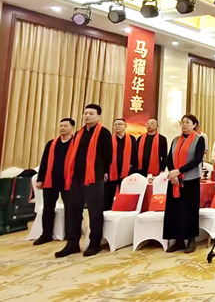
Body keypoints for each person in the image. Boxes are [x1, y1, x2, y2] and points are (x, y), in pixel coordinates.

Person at [55, 104, 112, 258]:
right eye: (85, 113)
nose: (87, 116)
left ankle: (95, 243)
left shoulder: (104, 133)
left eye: (91, 114)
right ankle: (72, 243)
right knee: (73, 211)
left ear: (98, 116)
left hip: (94, 177)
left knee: (95, 212)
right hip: (77, 177)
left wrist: (101, 171)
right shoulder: (79, 133)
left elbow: (108, 156)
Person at [163, 114, 205, 253]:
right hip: (175, 181)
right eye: (183, 122)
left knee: (189, 210)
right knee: (175, 210)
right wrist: (173, 173)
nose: (185, 125)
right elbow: (169, 158)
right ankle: (178, 240)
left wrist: (179, 171)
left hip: (190, 180)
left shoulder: (199, 139)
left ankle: (191, 240)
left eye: (188, 122)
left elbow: (197, 160)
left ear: (194, 125)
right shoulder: (175, 140)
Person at [33, 117, 74, 245]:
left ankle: (70, 234)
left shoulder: (76, 143)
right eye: (61, 126)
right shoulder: (51, 143)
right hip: (51, 180)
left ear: (72, 128)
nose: (62, 128)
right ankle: (46, 235)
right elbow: (44, 161)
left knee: (70, 208)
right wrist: (40, 179)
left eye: (65, 126)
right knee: (48, 208)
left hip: (69, 181)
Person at [104, 118, 138, 210]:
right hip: (111, 172)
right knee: (108, 195)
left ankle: (124, 212)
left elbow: (135, 155)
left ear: (125, 126)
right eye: (115, 125)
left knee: (126, 194)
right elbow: (105, 156)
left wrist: (133, 170)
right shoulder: (109, 139)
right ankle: (107, 212)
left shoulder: (131, 139)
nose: (117, 126)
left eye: (120, 124)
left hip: (127, 172)